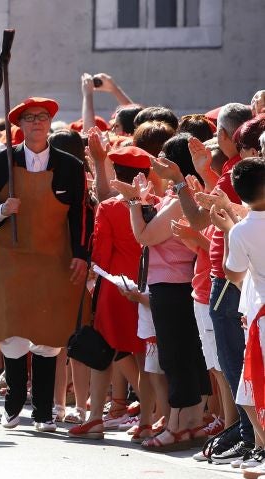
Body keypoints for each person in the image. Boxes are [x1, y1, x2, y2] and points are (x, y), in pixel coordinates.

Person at [0, 97, 93, 433]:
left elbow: (82, 214)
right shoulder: (1, 161)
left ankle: (42, 412)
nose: (37, 123)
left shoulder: (71, 165)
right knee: (12, 332)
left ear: (50, 122)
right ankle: (12, 403)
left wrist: (82, 254)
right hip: (11, 257)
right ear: (20, 126)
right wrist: (0, 210)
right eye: (29, 118)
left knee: (48, 336)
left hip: (54, 257)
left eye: (42, 117)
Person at [164, 104, 256, 463]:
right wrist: (192, 177)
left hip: (231, 280)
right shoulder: (231, 172)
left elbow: (214, 225)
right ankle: (244, 432)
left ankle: (250, 435)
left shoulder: (244, 175)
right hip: (224, 277)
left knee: (236, 363)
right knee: (228, 363)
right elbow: (206, 220)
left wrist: (181, 181)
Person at [110, 135, 212, 452]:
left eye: (164, 156)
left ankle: (180, 424)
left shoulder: (183, 197)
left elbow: (145, 236)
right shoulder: (178, 195)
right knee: (185, 355)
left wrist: (133, 202)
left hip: (173, 285)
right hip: (176, 284)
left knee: (176, 357)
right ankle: (188, 421)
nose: (156, 162)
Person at [68, 146, 149, 440]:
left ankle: (96, 418)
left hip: (114, 288)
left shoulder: (111, 207)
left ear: (116, 172)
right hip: (146, 287)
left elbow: (100, 253)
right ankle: (149, 418)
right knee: (143, 356)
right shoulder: (154, 203)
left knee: (103, 353)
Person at [215, 157, 265, 477]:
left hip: (261, 315)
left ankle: (262, 449)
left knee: (250, 391)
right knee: (248, 392)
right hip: (259, 314)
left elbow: (233, 273)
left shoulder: (241, 231)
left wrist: (231, 227)